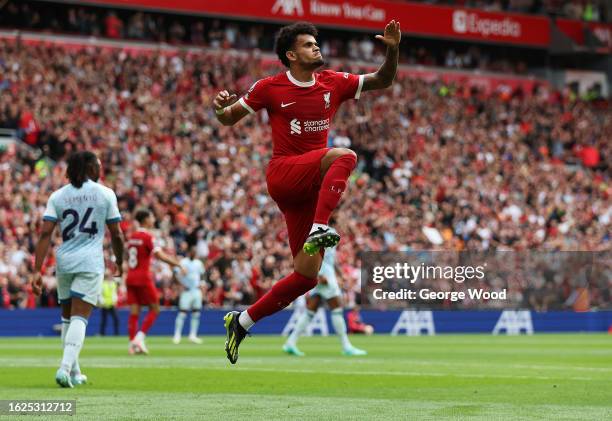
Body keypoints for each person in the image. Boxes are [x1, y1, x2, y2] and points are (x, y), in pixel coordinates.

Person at [213, 20, 401, 363]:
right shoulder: (269, 87)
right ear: (291, 54)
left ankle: (241, 321)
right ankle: (320, 228)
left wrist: (392, 49)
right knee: (345, 155)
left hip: (310, 187)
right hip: (285, 173)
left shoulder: (333, 82)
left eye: (316, 43)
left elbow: (384, 79)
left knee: (306, 276)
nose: (316, 47)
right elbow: (228, 118)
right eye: (308, 44)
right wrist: (220, 108)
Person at [31, 151, 124, 388]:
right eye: (99, 166)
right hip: (90, 261)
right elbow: (117, 234)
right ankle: (63, 369)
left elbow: (45, 233)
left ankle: (74, 372)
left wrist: (36, 270)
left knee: (67, 319)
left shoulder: (58, 196)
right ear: (92, 169)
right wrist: (120, 261)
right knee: (80, 319)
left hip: (65, 261)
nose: (101, 169)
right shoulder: (105, 194)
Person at [283, 245, 367, 356]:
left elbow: (331, 259)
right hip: (324, 276)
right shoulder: (319, 228)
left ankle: (290, 342)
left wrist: (341, 274)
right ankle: (346, 346)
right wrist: (320, 274)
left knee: (310, 312)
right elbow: (313, 252)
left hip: (325, 274)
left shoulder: (331, 231)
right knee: (337, 309)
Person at [126, 209, 183, 354]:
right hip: (143, 277)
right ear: (145, 220)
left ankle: (132, 345)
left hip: (130, 277)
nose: (153, 219)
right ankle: (139, 338)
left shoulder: (132, 236)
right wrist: (177, 263)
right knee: (155, 308)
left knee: (134, 312)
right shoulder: (148, 237)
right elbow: (159, 255)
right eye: (151, 217)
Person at [172, 246, 206, 344]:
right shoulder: (183, 262)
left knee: (196, 313)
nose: (193, 253)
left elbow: (203, 274)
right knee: (182, 313)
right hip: (186, 290)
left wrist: (202, 285)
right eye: (192, 252)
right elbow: (175, 273)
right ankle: (177, 335)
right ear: (189, 252)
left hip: (196, 290)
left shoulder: (198, 263)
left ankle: (193, 335)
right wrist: (180, 284)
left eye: (194, 252)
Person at [99, 270, 119, 336]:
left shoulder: (113, 284)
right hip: (105, 305)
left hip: (111, 305)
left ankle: (116, 334)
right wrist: (103, 302)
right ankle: (102, 334)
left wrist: (114, 301)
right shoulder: (102, 284)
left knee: (116, 319)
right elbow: (100, 295)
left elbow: (114, 293)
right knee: (104, 321)